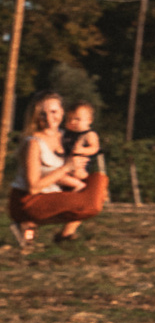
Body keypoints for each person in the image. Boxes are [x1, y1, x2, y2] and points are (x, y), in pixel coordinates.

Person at [9, 92, 106, 249]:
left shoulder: (66, 136)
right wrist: (66, 167)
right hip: (28, 200)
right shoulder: (33, 143)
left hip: (54, 195)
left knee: (99, 182)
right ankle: (26, 221)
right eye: (42, 114)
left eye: (53, 112)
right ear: (35, 116)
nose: (49, 118)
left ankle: (64, 235)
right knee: (90, 203)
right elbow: (33, 187)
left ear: (62, 112)